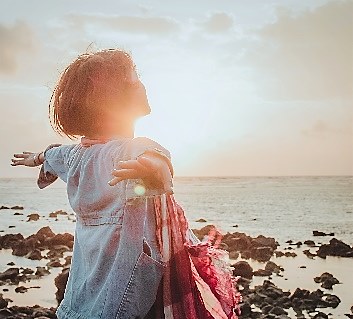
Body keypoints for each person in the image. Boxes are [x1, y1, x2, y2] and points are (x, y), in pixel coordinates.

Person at [11, 49, 241, 319]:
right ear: (112, 98)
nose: (142, 85)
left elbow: (55, 154)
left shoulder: (77, 155)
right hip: (131, 294)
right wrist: (152, 170)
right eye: (134, 80)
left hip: (86, 292)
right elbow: (156, 159)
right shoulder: (131, 150)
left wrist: (38, 157)